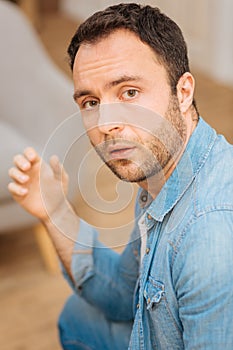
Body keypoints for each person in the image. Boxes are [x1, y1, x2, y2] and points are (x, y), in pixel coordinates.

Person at [8, 3, 233, 349]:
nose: (106, 123)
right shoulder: (162, 177)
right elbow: (119, 295)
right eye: (90, 102)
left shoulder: (209, 237)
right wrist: (55, 211)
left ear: (183, 91)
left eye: (129, 92)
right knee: (77, 319)